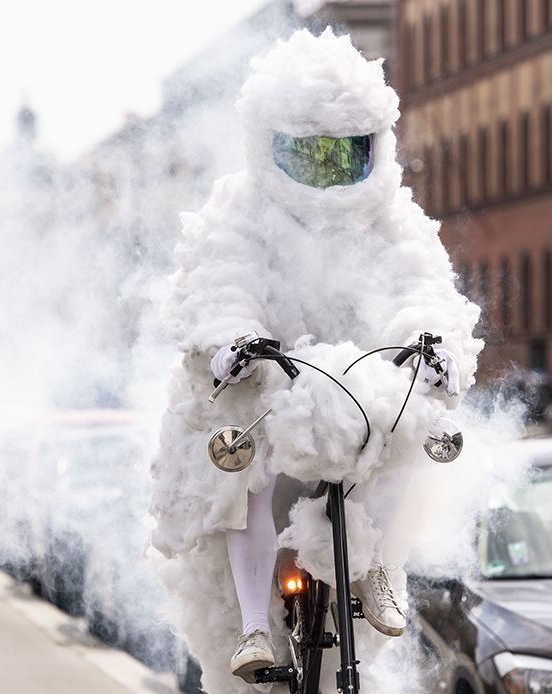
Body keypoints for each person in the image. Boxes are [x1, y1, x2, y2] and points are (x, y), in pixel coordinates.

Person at [149, 28, 482, 692]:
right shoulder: (238, 210)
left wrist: (430, 344)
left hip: (359, 389)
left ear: (372, 148)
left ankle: (378, 568)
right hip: (266, 388)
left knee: (399, 440)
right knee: (247, 477)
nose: (328, 173)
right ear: (272, 148)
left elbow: (419, 285)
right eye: (310, 157)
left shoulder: (394, 218)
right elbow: (221, 280)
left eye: (343, 156)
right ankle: (250, 621)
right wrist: (233, 339)